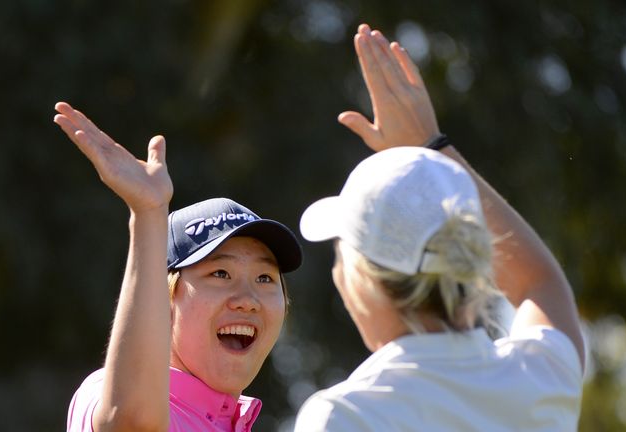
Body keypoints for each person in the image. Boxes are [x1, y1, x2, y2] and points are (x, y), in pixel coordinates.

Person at [293, 24, 585, 431]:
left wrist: (429, 146)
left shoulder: (345, 415)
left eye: (341, 256)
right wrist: (431, 143)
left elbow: (539, 283)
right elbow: (540, 282)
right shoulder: (540, 377)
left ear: (365, 281)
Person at [53, 102, 302, 432]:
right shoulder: (107, 392)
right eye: (220, 273)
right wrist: (148, 215)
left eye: (265, 278)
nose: (248, 299)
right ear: (164, 298)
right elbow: (131, 421)